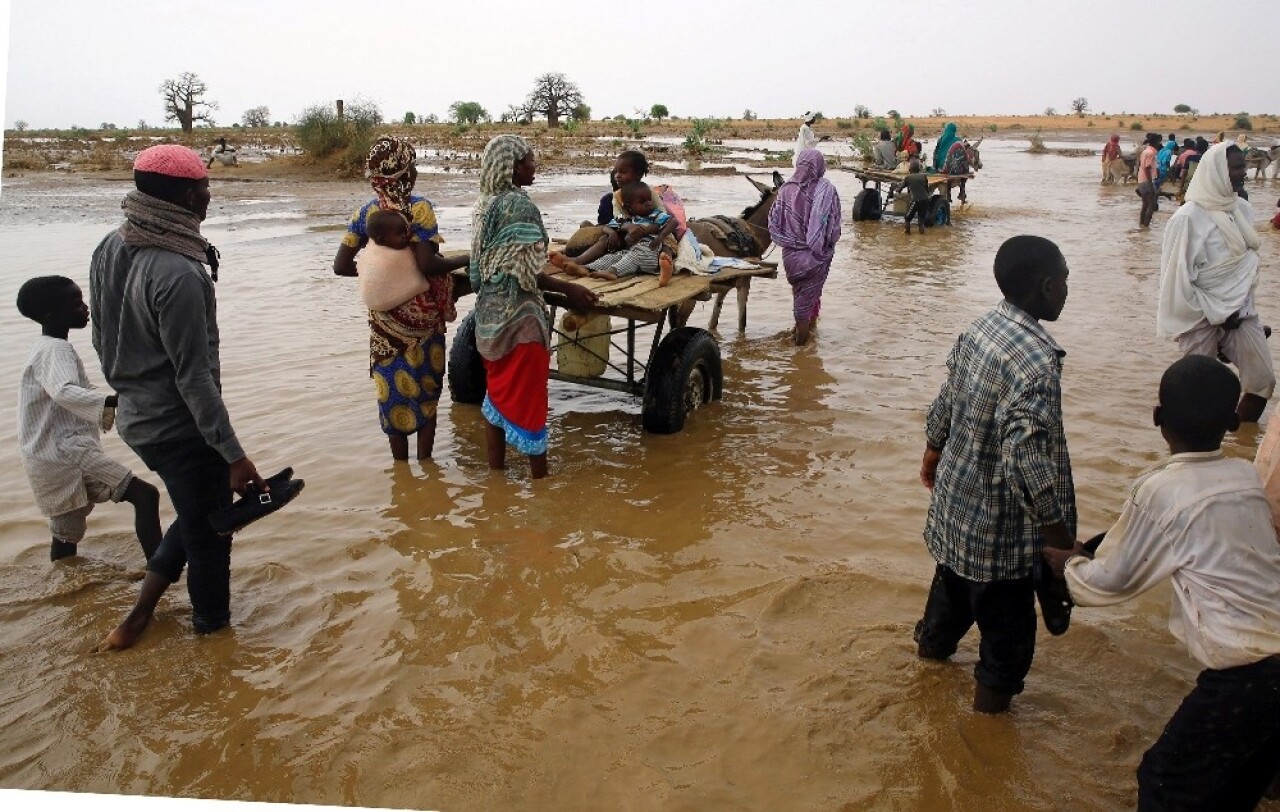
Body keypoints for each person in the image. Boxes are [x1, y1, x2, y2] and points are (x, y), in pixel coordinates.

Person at [1045, 355, 1280, 812]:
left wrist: (1068, 568)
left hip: (1248, 674)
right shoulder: (1245, 476)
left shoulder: (1160, 490)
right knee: (1239, 783)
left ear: (1157, 419)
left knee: (1163, 780)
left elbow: (1111, 581)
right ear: (1234, 421)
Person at [88, 144, 266, 649]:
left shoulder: (109, 246)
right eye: (206, 187)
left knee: (198, 515)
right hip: (181, 427)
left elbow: (102, 337)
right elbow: (194, 378)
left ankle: (140, 615)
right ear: (189, 195)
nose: (210, 197)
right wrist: (233, 454)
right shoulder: (181, 274)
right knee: (212, 541)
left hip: (137, 418)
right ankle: (213, 645)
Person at [915, 235, 1075, 714]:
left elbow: (948, 395)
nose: (1068, 289)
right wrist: (1058, 537)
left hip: (956, 516)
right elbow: (1025, 460)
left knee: (945, 613)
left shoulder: (982, 328)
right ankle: (986, 741)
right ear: (1047, 287)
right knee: (1006, 652)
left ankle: (925, 673)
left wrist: (932, 448)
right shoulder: (1038, 362)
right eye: (1065, 280)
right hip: (1002, 541)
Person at [469, 135, 599, 478]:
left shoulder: (485, 202)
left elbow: (475, 270)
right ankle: (541, 488)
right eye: (529, 160)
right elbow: (528, 274)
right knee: (529, 405)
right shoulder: (518, 206)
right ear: (512, 167)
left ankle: (496, 481)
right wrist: (567, 288)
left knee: (496, 399)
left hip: (488, 317)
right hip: (519, 319)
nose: (534, 166)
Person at [333, 136, 469, 461]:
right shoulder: (418, 209)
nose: (416, 172)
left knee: (392, 394)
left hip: (383, 327)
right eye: (413, 166)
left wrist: (378, 275)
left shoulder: (364, 214)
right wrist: (467, 259)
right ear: (404, 174)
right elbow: (428, 264)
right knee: (427, 391)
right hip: (423, 322)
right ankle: (426, 464)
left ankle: (401, 471)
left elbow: (340, 266)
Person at [16, 275, 162, 563]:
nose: (85, 308)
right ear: (51, 314)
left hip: (52, 455)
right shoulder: (56, 350)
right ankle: (160, 573)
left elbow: (76, 390)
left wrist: (122, 396)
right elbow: (65, 391)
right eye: (75, 303)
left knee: (66, 532)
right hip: (66, 452)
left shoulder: (46, 347)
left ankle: (67, 584)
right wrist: (118, 401)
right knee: (145, 496)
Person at [1156, 142, 1272, 423]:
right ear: (1218, 171)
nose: (1243, 173)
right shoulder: (1186, 219)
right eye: (1237, 167)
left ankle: (1238, 438)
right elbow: (1176, 281)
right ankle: (1199, 457)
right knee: (1197, 393)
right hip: (1201, 317)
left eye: (1243, 166)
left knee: (1263, 383)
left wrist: (1234, 310)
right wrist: (1218, 315)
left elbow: (1240, 270)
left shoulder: (1242, 209)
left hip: (1241, 313)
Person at [767, 148, 842, 346]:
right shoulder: (826, 190)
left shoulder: (784, 190)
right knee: (804, 305)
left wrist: (791, 239)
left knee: (800, 295)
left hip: (791, 258)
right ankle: (802, 354)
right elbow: (833, 227)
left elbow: (774, 224)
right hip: (816, 258)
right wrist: (823, 244)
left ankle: (804, 338)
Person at [585, 181, 679, 285]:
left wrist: (660, 237)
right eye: (642, 202)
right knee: (615, 256)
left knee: (634, 257)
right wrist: (612, 233)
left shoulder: (655, 215)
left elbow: (673, 222)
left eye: (649, 199)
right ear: (629, 208)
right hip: (632, 251)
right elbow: (606, 227)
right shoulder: (628, 220)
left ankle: (612, 272)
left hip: (650, 253)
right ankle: (587, 269)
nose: (648, 203)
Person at [900, 159, 932, 235]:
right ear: (918, 169)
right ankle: (922, 236)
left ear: (910, 169)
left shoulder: (908, 177)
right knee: (921, 220)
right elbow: (926, 188)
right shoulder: (924, 176)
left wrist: (896, 189)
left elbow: (900, 188)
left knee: (907, 218)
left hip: (916, 201)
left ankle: (907, 235)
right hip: (925, 200)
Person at [1138, 132, 1162, 228]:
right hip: (1147, 181)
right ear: (1155, 142)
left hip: (1141, 180)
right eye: (1159, 142)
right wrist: (1151, 185)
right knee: (1151, 205)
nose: (1160, 144)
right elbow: (1147, 168)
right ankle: (1146, 226)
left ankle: (1141, 225)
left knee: (1145, 205)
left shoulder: (1145, 151)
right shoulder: (1151, 153)